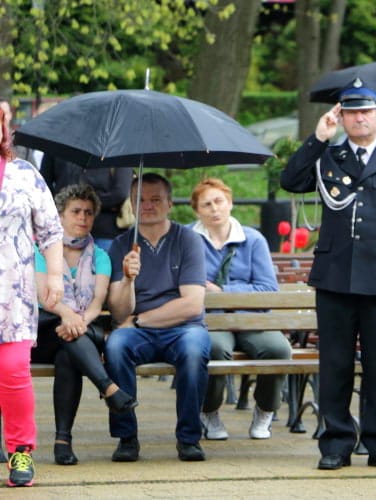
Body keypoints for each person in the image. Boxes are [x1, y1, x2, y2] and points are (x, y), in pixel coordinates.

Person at [281, 78, 376, 471]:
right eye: (351, 111)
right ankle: (336, 441)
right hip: (336, 277)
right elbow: (290, 181)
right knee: (335, 363)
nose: (359, 118)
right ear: (340, 116)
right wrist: (317, 139)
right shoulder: (328, 157)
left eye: (366, 111)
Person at [105, 172, 210, 462]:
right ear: (130, 203)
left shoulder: (188, 240)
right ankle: (126, 437)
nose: (147, 205)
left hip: (183, 328)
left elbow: (191, 305)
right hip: (137, 332)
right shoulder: (120, 245)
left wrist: (140, 320)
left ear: (170, 203)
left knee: (193, 350)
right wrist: (127, 279)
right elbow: (119, 312)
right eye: (140, 199)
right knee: (116, 346)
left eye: (155, 199)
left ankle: (189, 438)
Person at [32, 184, 138, 466]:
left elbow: (97, 303)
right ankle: (108, 388)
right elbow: (45, 298)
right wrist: (67, 315)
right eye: (76, 211)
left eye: (89, 213)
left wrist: (78, 321)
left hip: (76, 333)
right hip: (40, 333)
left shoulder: (100, 256)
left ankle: (62, 442)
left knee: (69, 353)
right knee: (72, 339)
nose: (83, 218)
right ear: (60, 216)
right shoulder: (40, 250)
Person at [189, 178, 292, 441]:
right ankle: (209, 411)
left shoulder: (253, 239)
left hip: (251, 316)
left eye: (219, 201)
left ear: (230, 203)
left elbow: (268, 289)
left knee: (278, 348)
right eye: (206, 204)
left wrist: (222, 293)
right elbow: (186, 285)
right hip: (210, 319)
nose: (214, 209)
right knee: (213, 348)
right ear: (197, 211)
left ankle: (266, 409)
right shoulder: (188, 239)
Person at [0, 105, 64, 487]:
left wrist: (54, 275)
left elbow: (52, 231)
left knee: (12, 371)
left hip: (14, 298)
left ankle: (20, 452)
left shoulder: (24, 174)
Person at [41, 156, 134, 251]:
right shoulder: (59, 145)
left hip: (105, 232)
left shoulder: (116, 148)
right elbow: (43, 186)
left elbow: (120, 192)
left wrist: (84, 203)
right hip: (63, 230)